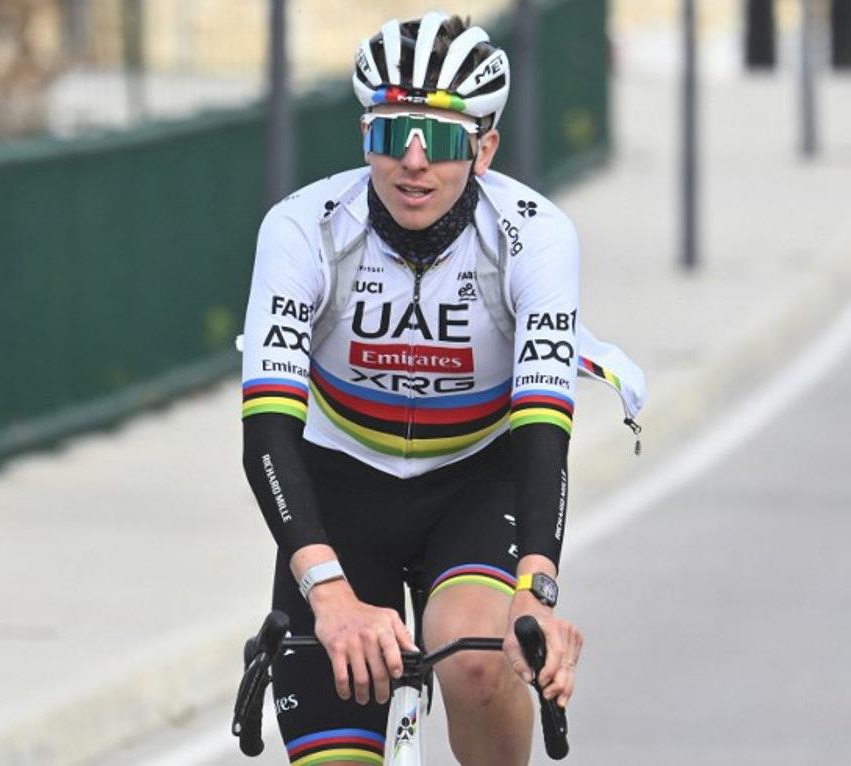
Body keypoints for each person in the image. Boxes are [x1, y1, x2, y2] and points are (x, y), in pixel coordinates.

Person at [239, 11, 639, 765]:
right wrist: (328, 598)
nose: (413, 163)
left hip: (473, 484)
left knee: (480, 662)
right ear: (366, 137)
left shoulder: (535, 236)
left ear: (484, 148)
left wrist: (537, 592)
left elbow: (543, 430)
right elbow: (265, 435)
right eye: (393, 134)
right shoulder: (302, 230)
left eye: (444, 139)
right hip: (339, 484)